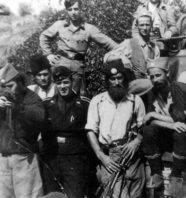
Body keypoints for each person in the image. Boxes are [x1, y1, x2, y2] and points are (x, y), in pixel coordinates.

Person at [141, 57, 186, 198]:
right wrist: (163, 120)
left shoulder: (180, 90)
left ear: (167, 73)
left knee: (179, 131)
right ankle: (156, 172)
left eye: (158, 75)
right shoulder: (151, 93)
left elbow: (182, 120)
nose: (155, 79)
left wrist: (154, 115)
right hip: (164, 136)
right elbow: (148, 121)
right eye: (152, 77)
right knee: (148, 130)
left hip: (184, 137)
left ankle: (176, 175)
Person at [85, 60, 146, 198]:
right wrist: (101, 156)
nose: (117, 82)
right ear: (107, 80)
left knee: (134, 194)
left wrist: (136, 141)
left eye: (119, 78)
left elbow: (144, 127)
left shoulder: (135, 100)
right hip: (109, 158)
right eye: (112, 79)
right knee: (112, 194)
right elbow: (90, 131)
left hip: (131, 157)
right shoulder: (97, 101)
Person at [39, 0, 118, 94]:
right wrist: (48, 54)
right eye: (70, 9)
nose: (73, 12)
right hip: (59, 64)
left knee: (74, 96)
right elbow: (44, 37)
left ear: (81, 9)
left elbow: (108, 43)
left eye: (76, 9)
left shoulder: (89, 29)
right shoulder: (59, 25)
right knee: (55, 95)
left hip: (77, 68)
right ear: (66, 10)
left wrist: (121, 52)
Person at [41, 66, 90, 198]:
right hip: (52, 158)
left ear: (72, 82)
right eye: (58, 83)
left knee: (75, 195)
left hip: (75, 159)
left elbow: (90, 133)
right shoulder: (46, 105)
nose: (62, 86)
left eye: (66, 82)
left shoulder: (83, 104)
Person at [0, 65, 45, 198]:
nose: (7, 90)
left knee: (28, 195)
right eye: (4, 87)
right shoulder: (2, 97)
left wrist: (18, 108)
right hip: (3, 159)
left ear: (20, 83)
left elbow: (40, 117)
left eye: (10, 85)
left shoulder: (31, 98)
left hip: (25, 158)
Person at [104, 11, 160, 80]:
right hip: (134, 85)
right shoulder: (129, 43)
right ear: (137, 26)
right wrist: (122, 57)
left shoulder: (155, 47)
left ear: (151, 26)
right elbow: (107, 57)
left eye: (147, 25)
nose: (145, 28)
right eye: (142, 25)